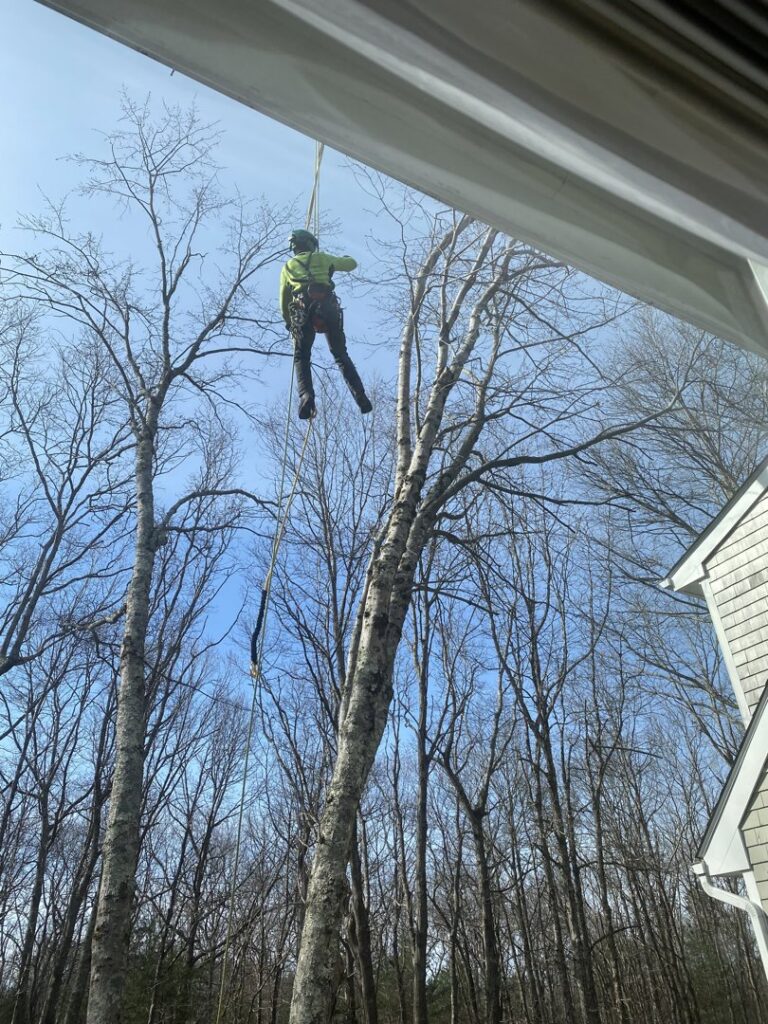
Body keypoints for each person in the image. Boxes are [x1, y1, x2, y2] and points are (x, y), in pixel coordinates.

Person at [280, 229, 373, 420]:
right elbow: (351, 264)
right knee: (340, 354)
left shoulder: (288, 266)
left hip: (303, 308)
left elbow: (284, 297)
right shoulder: (322, 257)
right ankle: (360, 395)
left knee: (302, 355)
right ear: (311, 244)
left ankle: (306, 396)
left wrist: (289, 323)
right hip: (327, 306)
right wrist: (344, 259)